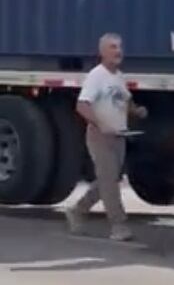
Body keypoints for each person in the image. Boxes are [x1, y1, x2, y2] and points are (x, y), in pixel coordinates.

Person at [65, 33, 148, 241]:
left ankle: (77, 210)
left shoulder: (118, 76)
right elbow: (82, 105)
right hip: (99, 136)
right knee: (109, 181)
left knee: (109, 180)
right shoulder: (97, 75)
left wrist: (136, 111)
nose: (118, 51)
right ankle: (119, 226)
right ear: (102, 52)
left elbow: (125, 100)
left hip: (119, 136)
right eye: (112, 47)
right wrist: (100, 124)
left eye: (119, 47)